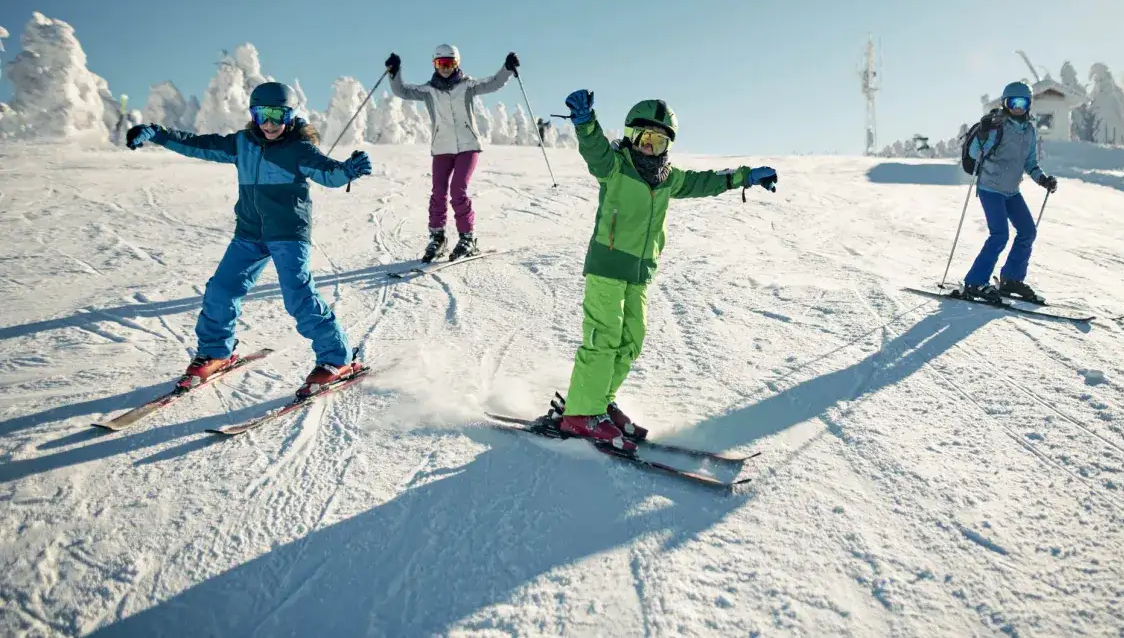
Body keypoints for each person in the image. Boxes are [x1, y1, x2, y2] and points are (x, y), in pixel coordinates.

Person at [552, 89, 778, 451]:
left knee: (631, 341)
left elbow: (709, 180)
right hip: (607, 266)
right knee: (604, 337)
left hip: (639, 273)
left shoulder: (669, 178)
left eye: (658, 142)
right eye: (644, 138)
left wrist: (746, 177)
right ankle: (580, 414)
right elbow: (594, 151)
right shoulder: (615, 166)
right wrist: (585, 123)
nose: (649, 147)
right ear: (631, 136)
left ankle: (600, 401)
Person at [125, 81, 373, 398]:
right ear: (252, 115)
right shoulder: (242, 143)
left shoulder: (299, 149)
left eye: (277, 115)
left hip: (287, 233)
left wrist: (349, 169)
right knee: (221, 289)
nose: (269, 124)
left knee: (298, 297)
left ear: (291, 115)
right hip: (249, 232)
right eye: (262, 115)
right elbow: (197, 143)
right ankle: (216, 352)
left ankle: (338, 359)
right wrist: (156, 133)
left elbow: (329, 174)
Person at [384, 45, 519, 262]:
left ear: (457, 63)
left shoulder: (467, 86)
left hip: (468, 146)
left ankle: (468, 237)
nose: (445, 68)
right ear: (434, 65)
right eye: (440, 64)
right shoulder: (429, 91)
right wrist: (394, 72)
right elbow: (402, 91)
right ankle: (437, 238)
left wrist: (507, 69)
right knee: (438, 192)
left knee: (458, 190)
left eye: (449, 64)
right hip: (441, 149)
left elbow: (493, 83)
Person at [960, 81, 1058, 303]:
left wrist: (1042, 179)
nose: (1017, 107)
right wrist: (983, 132)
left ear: (1029, 105)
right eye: (1012, 102)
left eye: (1022, 103)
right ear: (1005, 103)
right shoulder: (997, 126)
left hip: (1011, 191)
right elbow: (976, 153)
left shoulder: (1030, 131)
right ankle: (975, 282)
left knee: (1028, 232)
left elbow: (1031, 163)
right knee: (1000, 235)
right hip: (990, 188)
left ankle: (1011, 279)